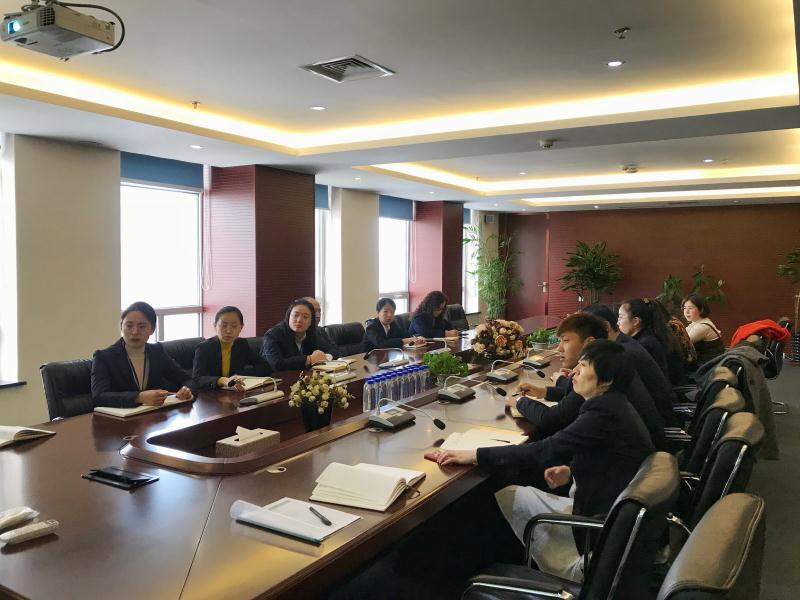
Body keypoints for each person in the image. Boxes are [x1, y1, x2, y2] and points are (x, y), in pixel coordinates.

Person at [437, 340, 654, 582]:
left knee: (504, 494)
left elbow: (544, 450)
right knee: (513, 492)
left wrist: (475, 455)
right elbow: (610, 458)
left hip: (599, 533)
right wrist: (571, 471)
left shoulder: (603, 412)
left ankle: (485, 572)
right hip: (609, 517)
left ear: (607, 380)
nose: (574, 372)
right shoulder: (614, 405)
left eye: (583, 366)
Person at [512, 312, 665, 449]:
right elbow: (574, 400)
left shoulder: (600, 375)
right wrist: (544, 392)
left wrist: (519, 401)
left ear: (589, 342)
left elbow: (552, 419)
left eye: (565, 340)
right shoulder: (610, 361)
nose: (559, 348)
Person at [584, 303, 678, 426]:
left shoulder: (621, 353)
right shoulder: (623, 345)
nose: (618, 322)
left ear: (606, 326)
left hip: (653, 424)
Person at [91, 301, 194, 408]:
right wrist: (138, 397)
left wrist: (187, 391)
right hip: (121, 417)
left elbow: (188, 380)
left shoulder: (157, 352)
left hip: (156, 414)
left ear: (152, 329)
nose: (135, 332)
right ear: (121, 326)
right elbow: (98, 397)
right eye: (129, 326)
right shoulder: (104, 357)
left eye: (142, 326)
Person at [192, 306, 272, 391]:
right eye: (224, 326)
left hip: (235, 392)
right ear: (215, 326)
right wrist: (223, 380)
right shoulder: (204, 348)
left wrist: (239, 375)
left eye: (234, 326)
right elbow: (197, 379)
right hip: (211, 393)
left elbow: (265, 367)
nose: (228, 331)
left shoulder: (241, 344)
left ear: (241, 328)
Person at [260, 298, 340, 371]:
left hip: (302, 377)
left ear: (311, 321)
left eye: (305, 317)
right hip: (273, 379)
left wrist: (325, 357)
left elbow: (335, 350)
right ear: (288, 317)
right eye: (295, 315)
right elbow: (277, 365)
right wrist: (309, 359)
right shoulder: (273, 335)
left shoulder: (312, 333)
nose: (299, 320)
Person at [617, 298, 674, 381]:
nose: (618, 322)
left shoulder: (645, 344)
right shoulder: (646, 338)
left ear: (635, 321)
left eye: (620, 317)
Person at [682, 293, 725, 366]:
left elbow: (682, 342)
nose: (686, 311)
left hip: (708, 365)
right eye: (684, 308)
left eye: (690, 308)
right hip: (705, 361)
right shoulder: (697, 321)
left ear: (701, 310)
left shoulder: (702, 326)